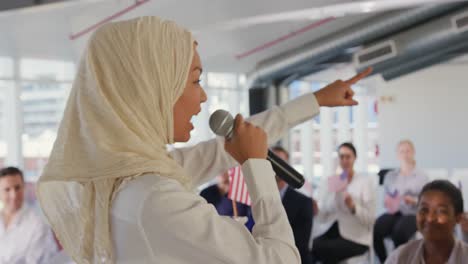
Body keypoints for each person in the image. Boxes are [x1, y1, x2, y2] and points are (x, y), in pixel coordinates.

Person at [36, 17, 371, 263]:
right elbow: (281, 258)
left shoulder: (119, 178)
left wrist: (315, 100)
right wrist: (256, 167)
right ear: (152, 88)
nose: (203, 97)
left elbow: (217, 151)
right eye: (195, 80)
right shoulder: (155, 197)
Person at [311, 142, 376, 263]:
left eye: (348, 156)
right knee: (312, 246)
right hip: (334, 231)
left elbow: (370, 219)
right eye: (341, 157)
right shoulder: (334, 181)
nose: (345, 160)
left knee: (323, 250)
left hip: (357, 238)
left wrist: (353, 207)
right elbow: (323, 217)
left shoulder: (365, 182)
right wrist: (317, 210)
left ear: (354, 158)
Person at [386, 180, 468, 263]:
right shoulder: (399, 258)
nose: (430, 218)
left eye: (441, 211)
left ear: (458, 217)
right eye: (424, 209)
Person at [373, 139, 429, 262]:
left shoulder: (422, 176)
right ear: (397, 155)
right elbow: (386, 199)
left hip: (413, 213)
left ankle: (401, 260)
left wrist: (413, 200)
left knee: (399, 232)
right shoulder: (391, 176)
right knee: (376, 228)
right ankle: (385, 260)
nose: (405, 154)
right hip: (395, 212)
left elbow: (426, 202)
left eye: (408, 151)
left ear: (413, 152)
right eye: (401, 151)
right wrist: (390, 202)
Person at [0, 167, 58, 264]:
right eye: (7, 189)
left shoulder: (38, 225)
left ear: (24, 187)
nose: (14, 195)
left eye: (17, 188)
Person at [271, 146, 313, 264]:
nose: (276, 167)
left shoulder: (303, 202)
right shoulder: (255, 199)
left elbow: (300, 244)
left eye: (280, 163)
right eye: (271, 162)